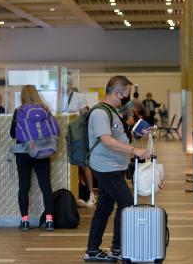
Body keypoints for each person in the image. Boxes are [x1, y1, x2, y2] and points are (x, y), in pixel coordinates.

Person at [84, 76, 150, 262]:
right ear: (116, 92)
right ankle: (117, 248)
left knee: (104, 208)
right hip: (106, 167)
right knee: (127, 203)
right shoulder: (99, 113)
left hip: (114, 165)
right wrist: (134, 150)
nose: (127, 98)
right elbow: (106, 140)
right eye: (126, 94)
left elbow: (117, 135)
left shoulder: (112, 111)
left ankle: (93, 250)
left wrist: (136, 135)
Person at [10, 85, 57, 231]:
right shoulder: (45, 109)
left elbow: (13, 133)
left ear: (22, 96)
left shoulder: (19, 111)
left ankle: (25, 221)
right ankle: (49, 220)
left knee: (24, 186)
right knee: (46, 186)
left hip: (24, 152)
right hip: (42, 151)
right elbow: (54, 130)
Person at [63, 85, 96, 207]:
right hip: (63, 135)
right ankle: (79, 194)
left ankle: (91, 194)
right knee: (72, 166)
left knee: (83, 164)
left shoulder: (78, 97)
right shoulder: (54, 96)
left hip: (77, 135)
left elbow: (86, 115)